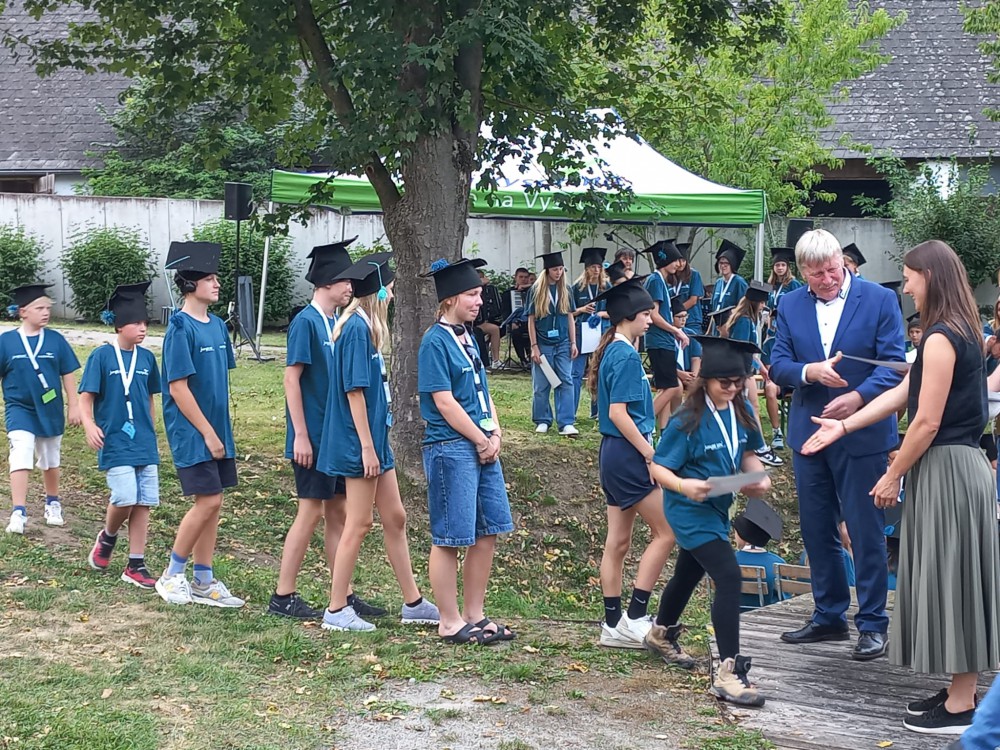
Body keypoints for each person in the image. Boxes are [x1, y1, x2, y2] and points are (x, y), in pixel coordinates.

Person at [803, 239, 1000, 735]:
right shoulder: (960, 330)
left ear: (929, 276)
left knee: (953, 581)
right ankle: (959, 692)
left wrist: (893, 474)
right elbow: (903, 392)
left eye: (910, 278)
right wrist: (844, 425)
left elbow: (926, 421)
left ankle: (961, 705)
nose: (906, 287)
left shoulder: (940, 337)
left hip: (949, 470)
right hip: (960, 468)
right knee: (956, 579)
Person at [769, 228, 904, 661]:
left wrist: (859, 397)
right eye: (816, 275)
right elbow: (778, 364)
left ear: (842, 262)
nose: (827, 280)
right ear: (802, 273)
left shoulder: (879, 300)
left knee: (865, 529)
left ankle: (873, 623)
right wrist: (809, 372)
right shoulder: (790, 304)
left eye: (832, 270)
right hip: (810, 433)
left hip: (862, 432)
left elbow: (893, 364)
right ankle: (828, 614)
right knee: (816, 527)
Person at [643, 336, 772, 707]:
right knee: (728, 576)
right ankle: (729, 672)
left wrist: (757, 477)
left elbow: (747, 454)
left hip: (718, 506)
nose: (731, 388)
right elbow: (658, 468)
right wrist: (684, 485)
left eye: (738, 382)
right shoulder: (688, 418)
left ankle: (660, 633)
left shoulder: (742, 410)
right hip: (687, 508)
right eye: (724, 382)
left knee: (689, 571)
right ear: (707, 380)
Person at [317, 252, 439, 631]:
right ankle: (337, 609)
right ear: (378, 291)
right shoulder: (356, 328)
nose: (393, 293)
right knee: (359, 522)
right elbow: (354, 392)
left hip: (376, 440)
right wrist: (368, 448)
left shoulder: (368, 327)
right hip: (360, 443)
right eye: (389, 287)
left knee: (395, 517)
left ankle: (413, 602)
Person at [269, 240, 385, 620]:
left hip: (335, 440)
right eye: (345, 280)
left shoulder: (339, 322)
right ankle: (283, 594)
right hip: (313, 437)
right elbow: (291, 379)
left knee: (338, 512)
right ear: (326, 282)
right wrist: (300, 435)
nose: (351, 286)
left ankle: (343, 593)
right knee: (310, 512)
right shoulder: (305, 322)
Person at [418, 258, 515, 645]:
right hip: (451, 446)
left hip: (482, 443)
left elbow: (482, 391)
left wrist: (495, 432)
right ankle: (449, 620)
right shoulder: (435, 342)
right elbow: (444, 402)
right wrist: (479, 438)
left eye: (479, 294)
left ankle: (474, 614)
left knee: (487, 530)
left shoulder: (468, 337)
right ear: (450, 299)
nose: (479, 301)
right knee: (451, 536)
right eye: (472, 295)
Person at [587, 279, 677, 649]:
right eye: (645, 314)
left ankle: (613, 624)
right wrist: (649, 453)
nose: (651, 320)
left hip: (614, 453)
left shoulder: (615, 350)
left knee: (619, 541)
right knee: (667, 531)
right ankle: (636, 615)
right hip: (627, 455)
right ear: (628, 316)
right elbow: (618, 414)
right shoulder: (624, 355)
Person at [155, 241, 245, 607]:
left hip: (217, 430)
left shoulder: (219, 327)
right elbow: (178, 388)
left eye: (216, 278)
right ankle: (171, 574)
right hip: (194, 432)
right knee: (208, 500)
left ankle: (203, 580)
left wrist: (219, 430)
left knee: (215, 502)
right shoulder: (180, 327)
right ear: (190, 285)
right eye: (209, 279)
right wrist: (207, 432)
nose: (217, 283)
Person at [81, 282, 161, 589]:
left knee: (143, 502)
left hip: (143, 442)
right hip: (114, 440)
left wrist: (151, 431)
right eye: (136, 323)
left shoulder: (147, 358)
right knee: (125, 497)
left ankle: (135, 564)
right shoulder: (101, 357)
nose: (143, 328)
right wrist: (89, 425)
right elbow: (86, 398)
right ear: (119, 325)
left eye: (145, 323)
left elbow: (149, 398)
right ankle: (108, 536)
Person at [1, 283, 81, 534]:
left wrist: (74, 405)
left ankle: (52, 502)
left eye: (48, 308)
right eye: (39, 308)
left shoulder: (56, 340)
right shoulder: (7, 342)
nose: (46, 312)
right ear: (23, 312)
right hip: (19, 408)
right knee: (21, 453)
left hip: (50, 409)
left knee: (50, 458)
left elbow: (68, 373)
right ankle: (18, 511)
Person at [726, 281, 783, 467]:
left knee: (753, 407)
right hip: (741, 371)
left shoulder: (748, 320)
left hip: (747, 369)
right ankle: (757, 447)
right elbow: (741, 349)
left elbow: (750, 351)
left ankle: (757, 445)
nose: (764, 306)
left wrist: (761, 367)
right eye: (762, 303)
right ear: (755, 302)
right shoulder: (744, 321)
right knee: (750, 408)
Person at [526, 251, 578, 436]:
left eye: (561, 269)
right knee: (542, 384)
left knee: (566, 380)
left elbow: (570, 317)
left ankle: (566, 422)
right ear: (547, 270)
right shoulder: (536, 290)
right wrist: (534, 346)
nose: (559, 273)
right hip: (543, 343)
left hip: (563, 342)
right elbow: (531, 320)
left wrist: (573, 342)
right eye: (555, 269)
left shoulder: (566, 290)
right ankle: (542, 419)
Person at [641, 240, 690, 429]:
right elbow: (654, 315)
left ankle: (663, 431)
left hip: (664, 341)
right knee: (671, 387)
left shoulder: (660, 280)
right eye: (675, 260)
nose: (678, 264)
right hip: (659, 342)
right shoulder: (655, 280)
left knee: (665, 388)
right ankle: (643, 423)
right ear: (665, 261)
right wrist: (676, 330)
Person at [762, 247, 804, 451]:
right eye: (776, 265)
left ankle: (798, 430)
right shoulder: (771, 286)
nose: (779, 268)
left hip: (789, 335)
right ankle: (777, 432)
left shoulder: (794, 285)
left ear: (788, 267)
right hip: (772, 332)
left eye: (782, 265)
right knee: (770, 387)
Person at [571, 247, 610, 420]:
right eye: (593, 266)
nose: (596, 270)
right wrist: (581, 309)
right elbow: (569, 312)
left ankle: (597, 410)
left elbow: (614, 311)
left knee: (598, 372)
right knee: (576, 373)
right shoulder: (577, 288)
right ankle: (571, 411)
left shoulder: (606, 287)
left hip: (600, 333)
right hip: (581, 333)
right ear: (586, 268)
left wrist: (602, 313)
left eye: (599, 267)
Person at [732, 499, 785, 610]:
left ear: (742, 535)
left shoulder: (726, 560)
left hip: (730, 616)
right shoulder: (778, 564)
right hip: (767, 618)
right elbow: (784, 599)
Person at [709, 240, 749, 332]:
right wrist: (709, 332)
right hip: (716, 327)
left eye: (726, 263)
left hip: (731, 327)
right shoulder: (718, 283)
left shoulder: (739, 282)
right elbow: (715, 310)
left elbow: (743, 307)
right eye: (721, 263)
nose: (723, 266)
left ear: (732, 264)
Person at [669, 244, 706, 334]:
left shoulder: (694, 275)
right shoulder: (670, 276)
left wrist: (677, 312)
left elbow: (693, 300)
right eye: (678, 260)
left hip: (691, 320)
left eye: (683, 260)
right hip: (673, 321)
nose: (681, 264)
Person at [501, 267, 533, 366]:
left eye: (526, 277)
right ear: (515, 278)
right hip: (517, 323)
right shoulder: (508, 293)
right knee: (516, 332)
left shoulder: (533, 291)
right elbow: (505, 312)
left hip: (532, 322)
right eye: (521, 277)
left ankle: (531, 357)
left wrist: (528, 286)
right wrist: (512, 322)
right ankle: (523, 359)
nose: (523, 279)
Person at [474, 268, 504, 369]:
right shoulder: (471, 289)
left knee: (498, 328)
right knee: (492, 330)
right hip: (473, 323)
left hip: (483, 321)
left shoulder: (487, 290)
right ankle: (491, 359)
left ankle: (495, 360)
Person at [673, 298, 702, 401]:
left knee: (699, 386)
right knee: (677, 386)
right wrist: (679, 374)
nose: (683, 319)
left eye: (685, 316)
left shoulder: (691, 334)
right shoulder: (665, 337)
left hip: (689, 374)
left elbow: (696, 358)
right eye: (679, 317)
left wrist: (693, 377)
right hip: (671, 373)